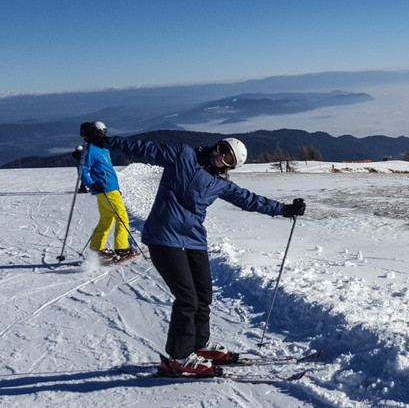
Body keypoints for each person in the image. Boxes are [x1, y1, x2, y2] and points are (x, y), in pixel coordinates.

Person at [80, 122, 306, 376]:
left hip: (194, 240)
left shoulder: (220, 183)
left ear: (230, 166)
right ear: (217, 145)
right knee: (187, 298)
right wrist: (105, 141)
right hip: (164, 237)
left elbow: (249, 199)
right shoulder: (183, 155)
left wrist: (284, 209)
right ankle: (178, 357)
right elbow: (144, 149)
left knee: (203, 294)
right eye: (222, 149)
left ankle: (198, 345)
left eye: (228, 158)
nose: (221, 156)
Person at [79, 121, 134, 260]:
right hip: (105, 189)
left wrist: (116, 188)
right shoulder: (91, 150)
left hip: (110, 189)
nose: (104, 135)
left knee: (106, 219)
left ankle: (96, 249)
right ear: (97, 133)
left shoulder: (103, 148)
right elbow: (83, 170)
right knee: (122, 218)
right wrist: (92, 184)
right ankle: (121, 249)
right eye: (102, 133)